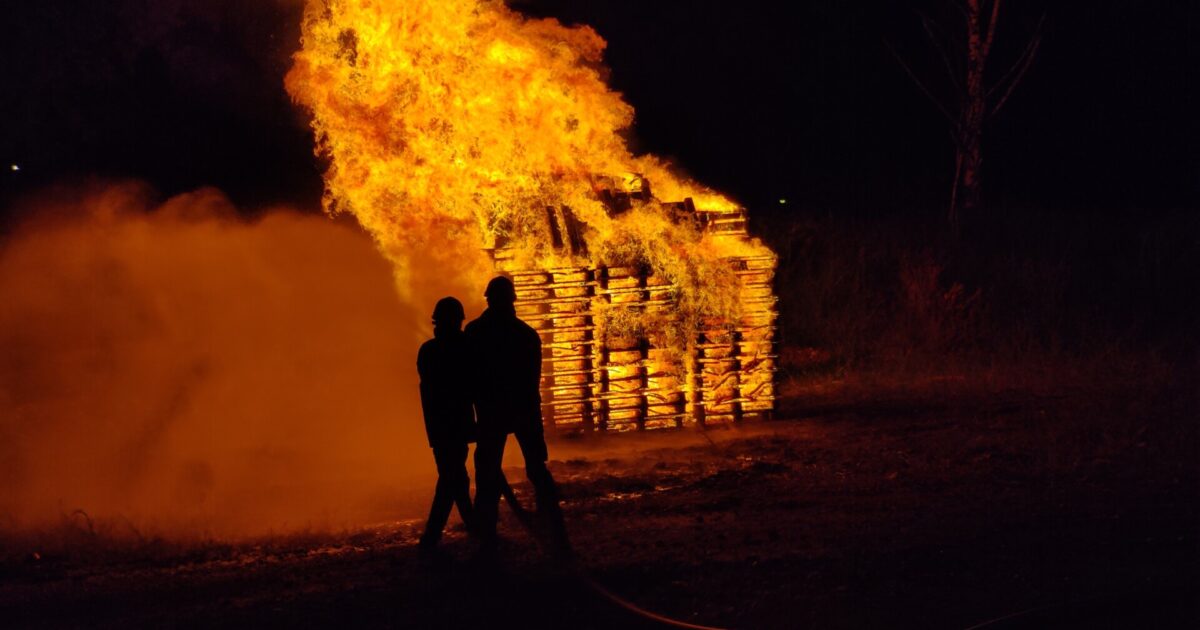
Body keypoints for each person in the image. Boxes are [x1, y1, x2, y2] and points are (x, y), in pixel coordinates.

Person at [466, 276, 568, 555]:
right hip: (523, 411)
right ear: (512, 300)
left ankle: (486, 535)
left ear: (488, 299)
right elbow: (532, 379)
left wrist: (474, 416)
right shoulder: (525, 334)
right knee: (536, 471)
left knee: (488, 475)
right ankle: (555, 530)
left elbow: (468, 379)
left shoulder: (475, 333)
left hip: (492, 412)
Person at [416, 296, 477, 550]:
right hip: (459, 425)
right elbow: (475, 384)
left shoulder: (428, 351)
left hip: (439, 427)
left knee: (453, 476)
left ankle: (465, 529)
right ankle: (436, 535)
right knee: (453, 478)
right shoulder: (464, 347)